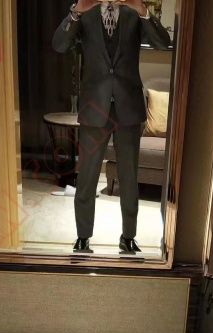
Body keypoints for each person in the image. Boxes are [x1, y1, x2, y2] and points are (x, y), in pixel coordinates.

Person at [53, 0, 171, 254]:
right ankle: (83, 236)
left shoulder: (133, 13)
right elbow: (59, 45)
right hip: (94, 108)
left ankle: (128, 236)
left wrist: (143, 11)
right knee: (87, 176)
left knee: (129, 177)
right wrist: (75, 12)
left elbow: (163, 43)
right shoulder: (85, 11)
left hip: (128, 109)